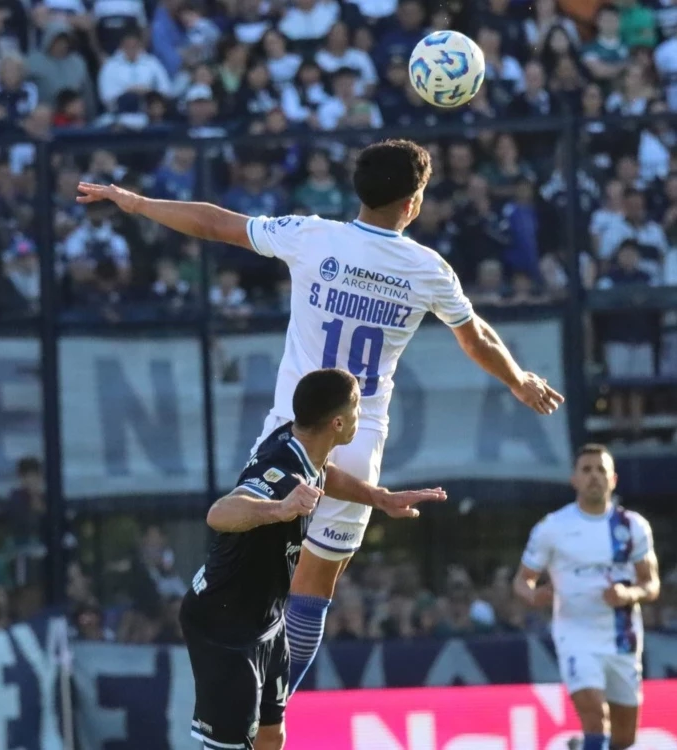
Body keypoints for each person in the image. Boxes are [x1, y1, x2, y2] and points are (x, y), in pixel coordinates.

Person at [77, 138, 564, 695]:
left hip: (292, 434)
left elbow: (217, 224)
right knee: (312, 591)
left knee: (252, 573)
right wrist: (519, 380)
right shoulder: (429, 269)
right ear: (414, 203)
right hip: (356, 440)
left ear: (359, 190)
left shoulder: (312, 236)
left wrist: (136, 202)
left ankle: (240, 707)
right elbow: (473, 336)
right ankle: (273, 714)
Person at [179, 368, 445, 750]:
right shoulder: (282, 469)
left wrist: (380, 498)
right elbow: (219, 513)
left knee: (272, 734)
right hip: (224, 625)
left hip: (266, 619)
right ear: (338, 422)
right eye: (356, 408)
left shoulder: (305, 444)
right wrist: (279, 510)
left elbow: (325, 474)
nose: (360, 415)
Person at [513, 444, 660, 750]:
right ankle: (590, 740)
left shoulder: (633, 526)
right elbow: (522, 580)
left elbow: (651, 584)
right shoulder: (552, 527)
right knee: (595, 717)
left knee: (624, 738)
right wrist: (534, 595)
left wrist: (629, 593)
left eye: (601, 470)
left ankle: (584, 746)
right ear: (574, 480)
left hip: (622, 638)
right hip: (576, 636)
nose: (594, 476)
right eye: (587, 470)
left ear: (614, 479)